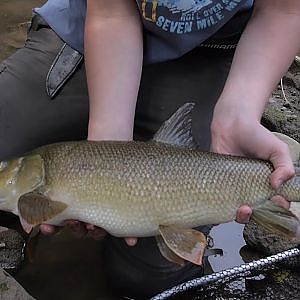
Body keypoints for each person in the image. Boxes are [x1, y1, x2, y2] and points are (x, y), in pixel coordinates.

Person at [0, 0, 299, 298]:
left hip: (214, 51)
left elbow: (285, 9)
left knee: (145, 277)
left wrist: (240, 113)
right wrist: (108, 142)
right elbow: (110, 14)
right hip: (90, 32)